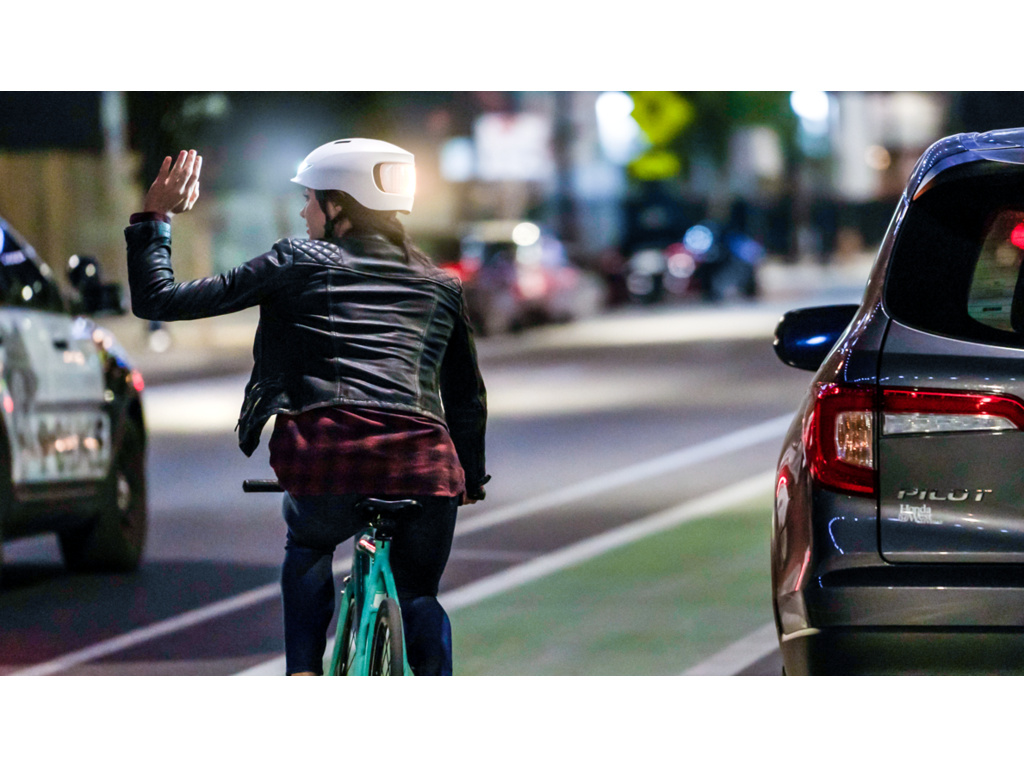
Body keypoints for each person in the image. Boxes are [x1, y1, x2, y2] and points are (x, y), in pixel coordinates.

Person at [124, 141, 489, 675]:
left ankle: (302, 674)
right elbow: (466, 399)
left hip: (327, 456)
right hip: (425, 468)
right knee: (418, 596)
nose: (303, 212)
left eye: (309, 198)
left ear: (339, 206)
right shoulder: (442, 286)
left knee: (309, 545)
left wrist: (155, 218)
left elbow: (159, 299)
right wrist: (470, 478)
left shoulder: (295, 260)